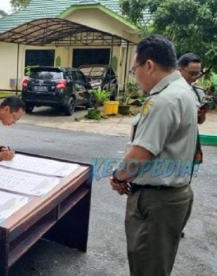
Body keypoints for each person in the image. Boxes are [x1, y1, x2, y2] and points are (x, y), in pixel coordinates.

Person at [109, 35, 197, 276]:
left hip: (157, 203)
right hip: (173, 196)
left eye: (134, 68)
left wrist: (118, 176)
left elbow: (138, 156)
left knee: (148, 269)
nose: (134, 76)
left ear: (148, 65)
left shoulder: (163, 100)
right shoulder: (184, 91)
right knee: (156, 265)